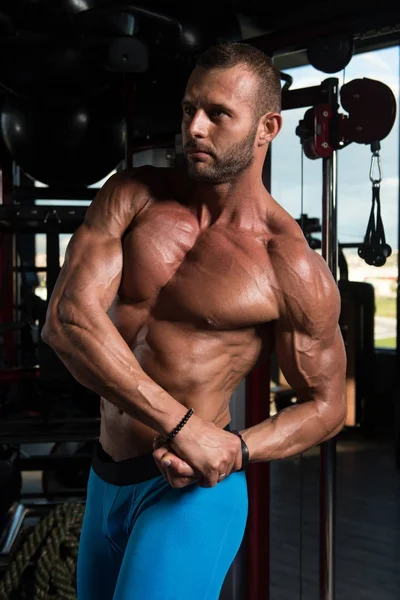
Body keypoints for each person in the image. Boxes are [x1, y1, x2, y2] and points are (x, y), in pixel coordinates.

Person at [42, 41, 347, 600]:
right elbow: (65, 321)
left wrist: (239, 449)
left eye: (218, 114)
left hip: (188, 496)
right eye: (189, 109)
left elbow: (328, 406)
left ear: (267, 128)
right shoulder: (132, 194)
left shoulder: (289, 265)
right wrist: (181, 424)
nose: (195, 128)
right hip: (104, 477)